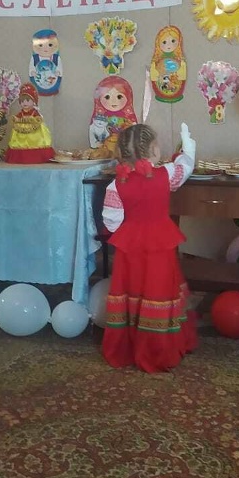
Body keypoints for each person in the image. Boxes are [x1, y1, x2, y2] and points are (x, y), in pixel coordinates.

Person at [101, 122, 198, 372]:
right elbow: (186, 167)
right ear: (153, 150)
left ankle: (127, 348)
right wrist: (188, 148)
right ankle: (158, 349)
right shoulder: (167, 173)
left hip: (129, 248)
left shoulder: (115, 185)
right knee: (159, 290)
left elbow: (111, 222)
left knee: (131, 290)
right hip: (160, 245)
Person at [4, 83, 55, 164]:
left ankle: (37, 155)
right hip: (21, 131)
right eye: (22, 101)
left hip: (35, 131)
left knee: (37, 139)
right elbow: (17, 118)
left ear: (33, 101)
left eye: (27, 101)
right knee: (18, 140)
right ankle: (20, 156)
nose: (24, 103)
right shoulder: (21, 114)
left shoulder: (35, 113)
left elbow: (38, 119)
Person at [89, 76, 137, 155]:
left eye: (119, 96)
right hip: (104, 153)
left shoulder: (130, 120)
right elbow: (93, 138)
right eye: (107, 97)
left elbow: (135, 139)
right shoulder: (97, 119)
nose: (114, 101)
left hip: (125, 154)